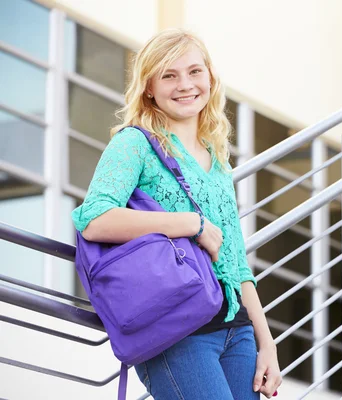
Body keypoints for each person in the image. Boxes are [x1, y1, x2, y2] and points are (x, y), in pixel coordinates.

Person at [71, 29, 282, 400]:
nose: (185, 84)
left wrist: (268, 345)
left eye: (195, 71)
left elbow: (235, 262)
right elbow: (94, 219)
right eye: (169, 75)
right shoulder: (133, 144)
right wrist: (190, 224)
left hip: (238, 331)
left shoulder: (217, 161)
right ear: (149, 87)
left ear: (210, 78)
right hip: (176, 330)